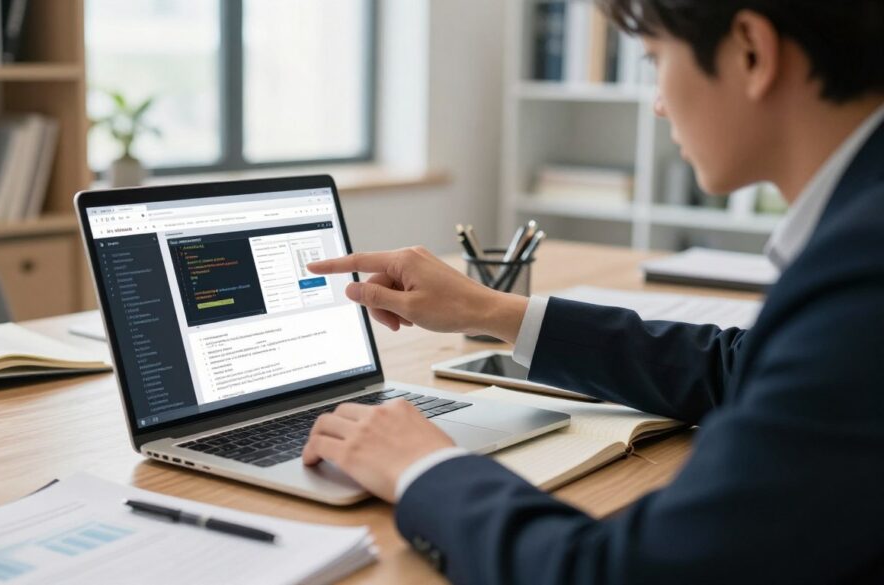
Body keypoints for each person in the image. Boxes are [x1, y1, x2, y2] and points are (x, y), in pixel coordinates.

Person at [300, 1, 884, 583]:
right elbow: (737, 367)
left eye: (656, 60)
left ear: (751, 52)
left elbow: (615, 574)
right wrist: (492, 310)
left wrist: (422, 468)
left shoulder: (860, 275)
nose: (657, 103)